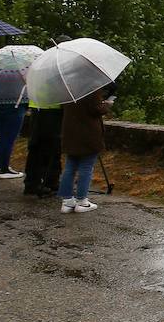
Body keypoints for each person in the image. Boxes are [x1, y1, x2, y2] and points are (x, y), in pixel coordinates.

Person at [24, 35, 73, 196]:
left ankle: (35, 182)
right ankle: (46, 182)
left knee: (37, 147)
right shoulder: (56, 64)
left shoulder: (42, 62)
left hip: (38, 108)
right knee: (50, 148)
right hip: (51, 110)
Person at [58, 85, 111, 213]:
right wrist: (107, 104)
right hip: (88, 133)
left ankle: (67, 202)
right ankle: (82, 201)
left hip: (70, 131)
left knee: (70, 166)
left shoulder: (67, 87)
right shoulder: (90, 88)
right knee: (86, 167)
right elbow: (96, 109)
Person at [0, 71, 29, 180]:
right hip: (16, 105)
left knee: (2, 137)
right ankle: (4, 168)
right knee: (9, 138)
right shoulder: (22, 70)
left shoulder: (1, 70)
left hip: (0, 104)